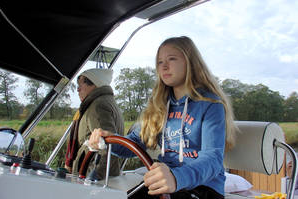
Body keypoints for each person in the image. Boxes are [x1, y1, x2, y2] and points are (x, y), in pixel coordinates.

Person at [89, 36, 237, 198]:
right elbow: (133, 144)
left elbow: (212, 159)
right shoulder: (158, 106)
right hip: (164, 181)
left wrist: (176, 177)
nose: (164, 66)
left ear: (191, 63)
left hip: (204, 186)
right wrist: (109, 139)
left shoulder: (210, 104)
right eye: (159, 62)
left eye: (172, 59)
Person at [65, 68, 124, 179]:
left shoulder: (97, 106)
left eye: (80, 85)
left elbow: (105, 147)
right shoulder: (106, 102)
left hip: (91, 175)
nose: (78, 90)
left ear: (94, 84)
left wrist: (93, 179)